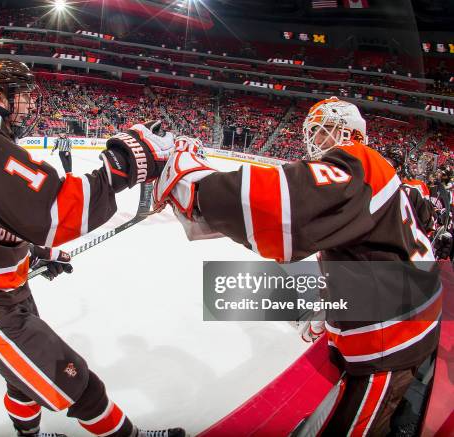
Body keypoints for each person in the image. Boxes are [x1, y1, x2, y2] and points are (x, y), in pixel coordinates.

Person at [0, 59, 185, 437]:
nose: (29, 104)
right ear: (0, 98)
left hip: (3, 287)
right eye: (22, 97)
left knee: (20, 381)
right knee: (82, 388)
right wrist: (122, 164)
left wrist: (35, 253)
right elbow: (51, 210)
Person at [154, 97, 441, 436]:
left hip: (393, 340)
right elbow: (368, 251)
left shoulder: (360, 162)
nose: (318, 142)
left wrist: (193, 182)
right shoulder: (381, 173)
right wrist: (332, 311)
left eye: (327, 132)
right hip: (410, 313)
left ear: (356, 136)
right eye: (315, 135)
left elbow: (285, 206)